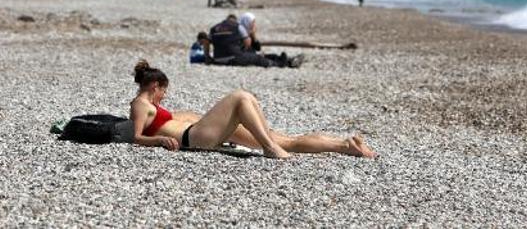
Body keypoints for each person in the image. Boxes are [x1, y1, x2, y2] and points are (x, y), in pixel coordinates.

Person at [129, 59, 376, 159]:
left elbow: (164, 120)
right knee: (240, 97)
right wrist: (160, 140)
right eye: (163, 89)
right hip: (193, 138)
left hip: (197, 130)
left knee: (285, 139)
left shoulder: (151, 105)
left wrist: (183, 117)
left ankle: (344, 146)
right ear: (153, 85)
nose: (165, 94)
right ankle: (269, 149)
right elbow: (137, 138)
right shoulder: (140, 105)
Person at [209, 13, 304, 68]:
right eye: (253, 23)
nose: (254, 25)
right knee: (256, 58)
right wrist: (253, 35)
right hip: (232, 58)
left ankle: (286, 59)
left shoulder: (214, 28)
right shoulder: (239, 28)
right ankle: (283, 63)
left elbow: (207, 41)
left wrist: (207, 57)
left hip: (217, 59)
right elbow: (248, 44)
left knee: (256, 54)